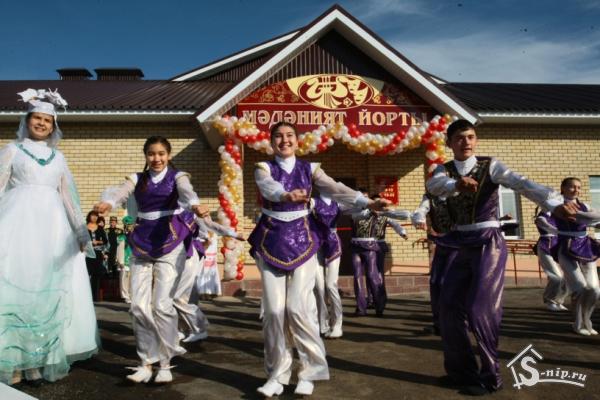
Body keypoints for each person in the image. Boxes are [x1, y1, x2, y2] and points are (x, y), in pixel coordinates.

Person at [426, 119, 576, 395]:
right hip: (460, 243)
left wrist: (554, 204)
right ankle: (462, 373)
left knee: (480, 310)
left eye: (471, 136)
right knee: (448, 308)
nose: (466, 142)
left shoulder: (490, 166)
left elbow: (521, 183)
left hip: (488, 242)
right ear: (449, 143)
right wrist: (456, 184)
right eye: (459, 138)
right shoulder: (442, 170)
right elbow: (435, 186)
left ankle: (490, 376)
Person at [248, 122, 390, 397]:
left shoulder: (310, 169)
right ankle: (277, 374)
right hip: (271, 239)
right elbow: (268, 187)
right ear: (271, 141)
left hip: (303, 239)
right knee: (274, 312)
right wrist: (284, 195)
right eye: (279, 136)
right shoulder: (263, 168)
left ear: (297, 140)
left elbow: (335, 188)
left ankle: (309, 371)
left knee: (298, 308)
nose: (284, 140)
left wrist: (366, 202)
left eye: (290, 135)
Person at [0, 89, 99, 386]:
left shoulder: (59, 158)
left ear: (54, 125)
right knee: (19, 290)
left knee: (46, 292)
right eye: (37, 118)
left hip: (53, 231)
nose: (41, 123)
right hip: (17, 227)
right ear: (27, 120)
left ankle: (37, 360)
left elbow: (69, 198)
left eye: (47, 120)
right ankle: (14, 361)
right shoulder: (12, 150)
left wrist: (81, 232)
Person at [94, 136, 210, 384]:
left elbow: (187, 192)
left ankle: (165, 364)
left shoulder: (178, 176)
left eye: (161, 153)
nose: (156, 158)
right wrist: (109, 203)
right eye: (151, 154)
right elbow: (122, 192)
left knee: (162, 305)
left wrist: (195, 204)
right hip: (142, 242)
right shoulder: (137, 178)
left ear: (168, 155)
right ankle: (146, 362)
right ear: (146, 156)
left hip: (170, 241)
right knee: (138, 305)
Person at [349, 190, 410, 317]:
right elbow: (353, 214)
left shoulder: (377, 211)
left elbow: (397, 219)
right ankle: (361, 307)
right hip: (355, 245)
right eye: (361, 198)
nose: (364, 200)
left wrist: (403, 230)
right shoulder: (353, 210)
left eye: (366, 198)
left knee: (373, 275)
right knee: (357, 276)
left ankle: (379, 304)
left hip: (371, 245)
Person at [553, 177, 600, 335]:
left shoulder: (585, 206)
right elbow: (544, 218)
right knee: (579, 288)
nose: (576, 190)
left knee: (594, 289)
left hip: (585, 247)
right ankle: (578, 324)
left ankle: (587, 321)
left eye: (578, 187)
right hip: (566, 246)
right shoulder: (555, 204)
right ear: (563, 188)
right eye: (572, 186)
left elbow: (592, 221)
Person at [411, 192, 452, 335]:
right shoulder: (430, 197)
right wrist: (419, 219)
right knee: (435, 281)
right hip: (442, 244)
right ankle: (439, 323)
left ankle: (458, 322)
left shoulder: (459, 192)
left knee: (450, 282)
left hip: (460, 244)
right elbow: (421, 210)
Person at [312, 194, 344, 339]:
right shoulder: (313, 202)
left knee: (331, 285)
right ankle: (322, 324)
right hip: (317, 244)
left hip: (333, 244)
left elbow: (356, 207)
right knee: (319, 287)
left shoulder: (339, 203)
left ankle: (337, 324)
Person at [533, 208, 569, 312]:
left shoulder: (557, 215)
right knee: (556, 276)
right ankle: (549, 300)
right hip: (545, 246)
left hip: (558, 246)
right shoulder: (541, 217)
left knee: (569, 277)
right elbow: (549, 227)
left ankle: (558, 301)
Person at [86, 210, 108, 301]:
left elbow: (105, 241)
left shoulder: (100, 228)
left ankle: (95, 297)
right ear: (89, 216)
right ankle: (86, 296)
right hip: (87, 254)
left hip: (97, 254)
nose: (94, 217)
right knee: (87, 274)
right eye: (92, 215)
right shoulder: (84, 227)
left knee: (96, 274)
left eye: (96, 216)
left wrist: (97, 242)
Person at [116, 215, 135, 304]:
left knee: (133, 279)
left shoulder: (135, 236)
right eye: (129, 225)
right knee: (124, 279)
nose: (130, 227)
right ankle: (126, 295)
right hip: (125, 260)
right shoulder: (121, 237)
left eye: (131, 225)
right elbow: (120, 250)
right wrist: (121, 261)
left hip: (134, 259)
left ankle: (132, 295)